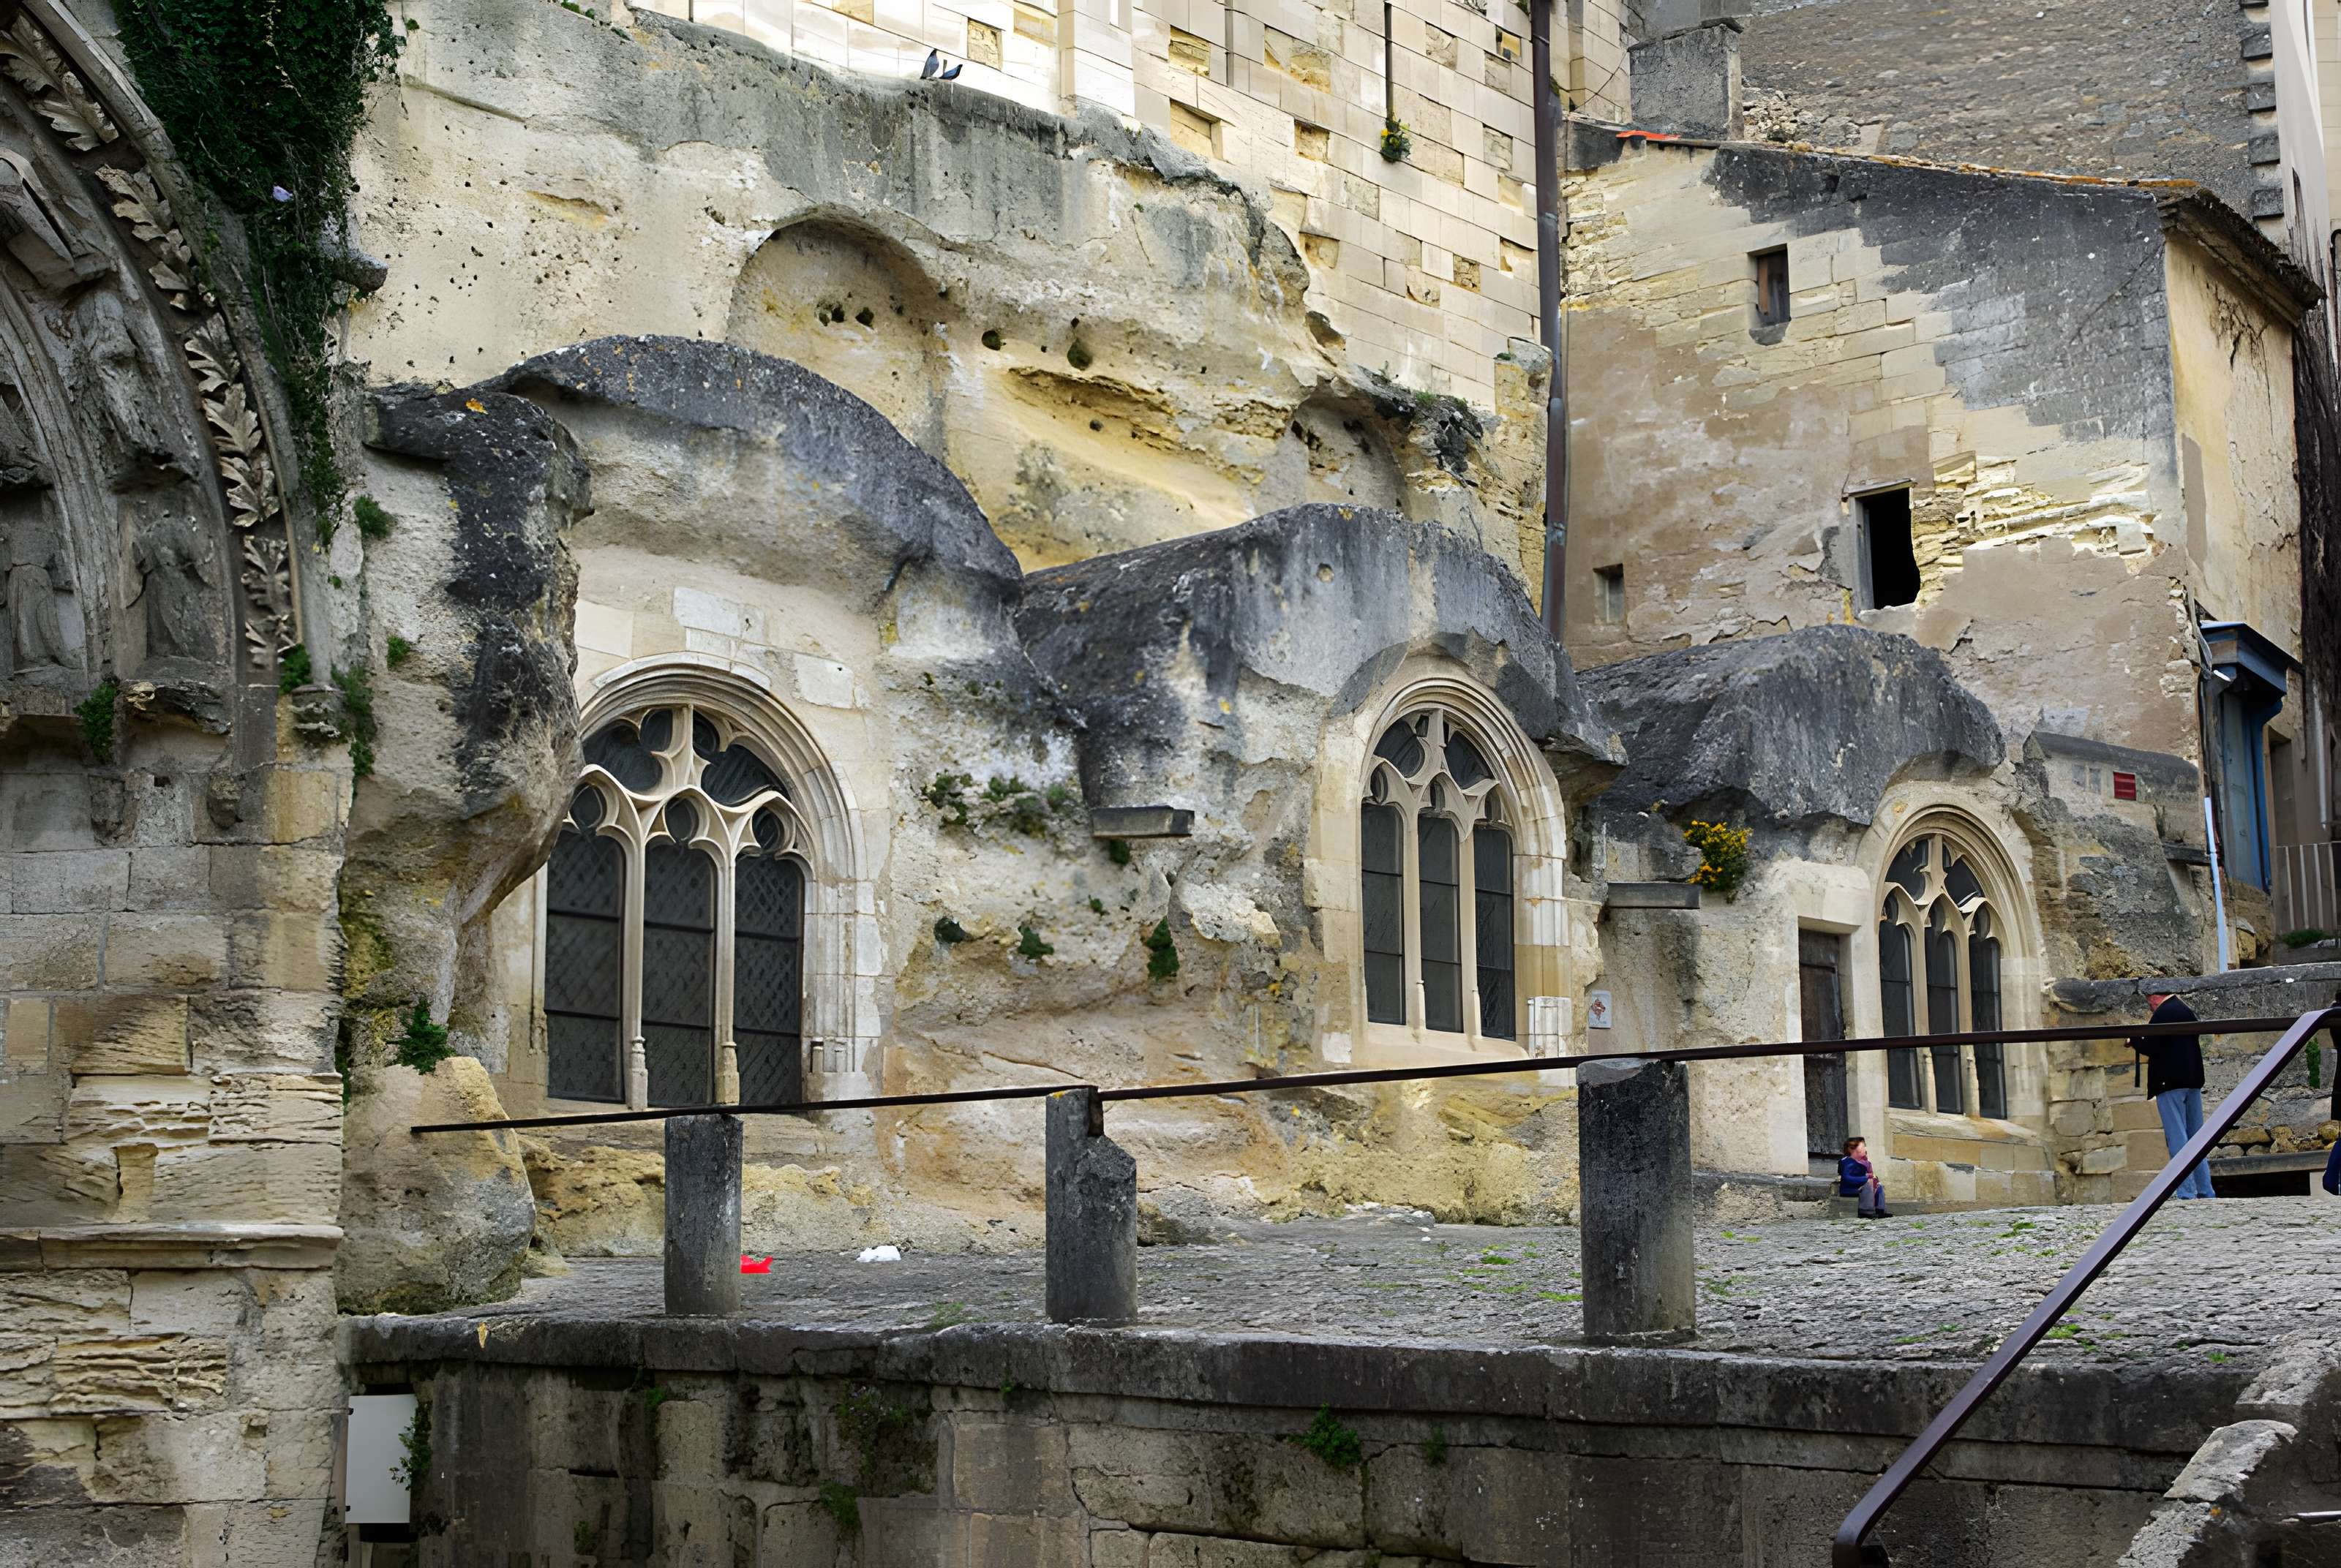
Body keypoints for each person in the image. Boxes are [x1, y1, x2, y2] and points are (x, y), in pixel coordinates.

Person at [2132, 990, 2213, 1199]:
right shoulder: (2185, 1010)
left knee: (2177, 1138)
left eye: (2149, 1001)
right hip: (2192, 1081)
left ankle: (2186, 1192)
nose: (2150, 1006)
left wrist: (2133, 1040)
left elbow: (2151, 1045)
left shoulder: (2164, 1013)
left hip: (2170, 1082)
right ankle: (2205, 1189)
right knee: (2197, 1139)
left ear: (2154, 997)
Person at [1838, 1135, 1888, 1218]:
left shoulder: (1862, 1162)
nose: (1865, 1149)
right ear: (1851, 1149)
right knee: (1868, 1184)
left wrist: (1873, 1178)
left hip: (1861, 1185)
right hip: (1851, 1187)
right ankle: (1866, 1211)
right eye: (1862, 1147)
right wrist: (1865, 1178)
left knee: (1879, 1186)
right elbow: (1847, 1178)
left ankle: (1880, 1210)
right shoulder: (1847, 1162)